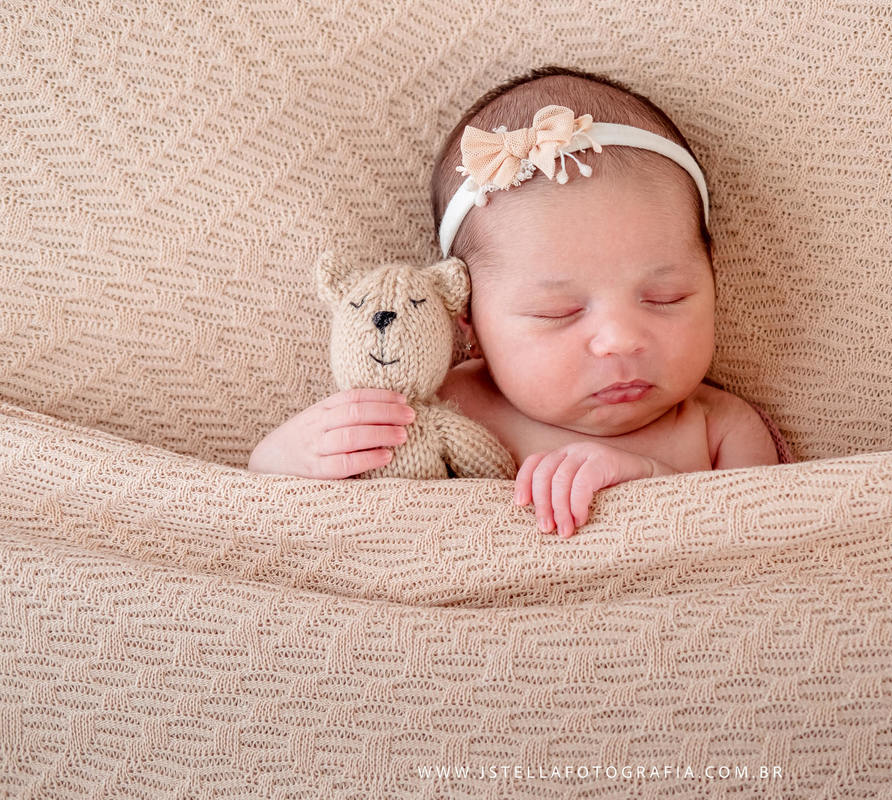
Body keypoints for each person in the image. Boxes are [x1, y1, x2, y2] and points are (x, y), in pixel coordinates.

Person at [249, 65, 783, 538]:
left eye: (667, 297)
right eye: (559, 313)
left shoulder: (721, 427)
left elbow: (761, 544)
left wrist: (642, 479)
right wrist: (283, 459)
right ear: (468, 321)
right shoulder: (441, 407)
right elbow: (284, 518)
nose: (622, 338)